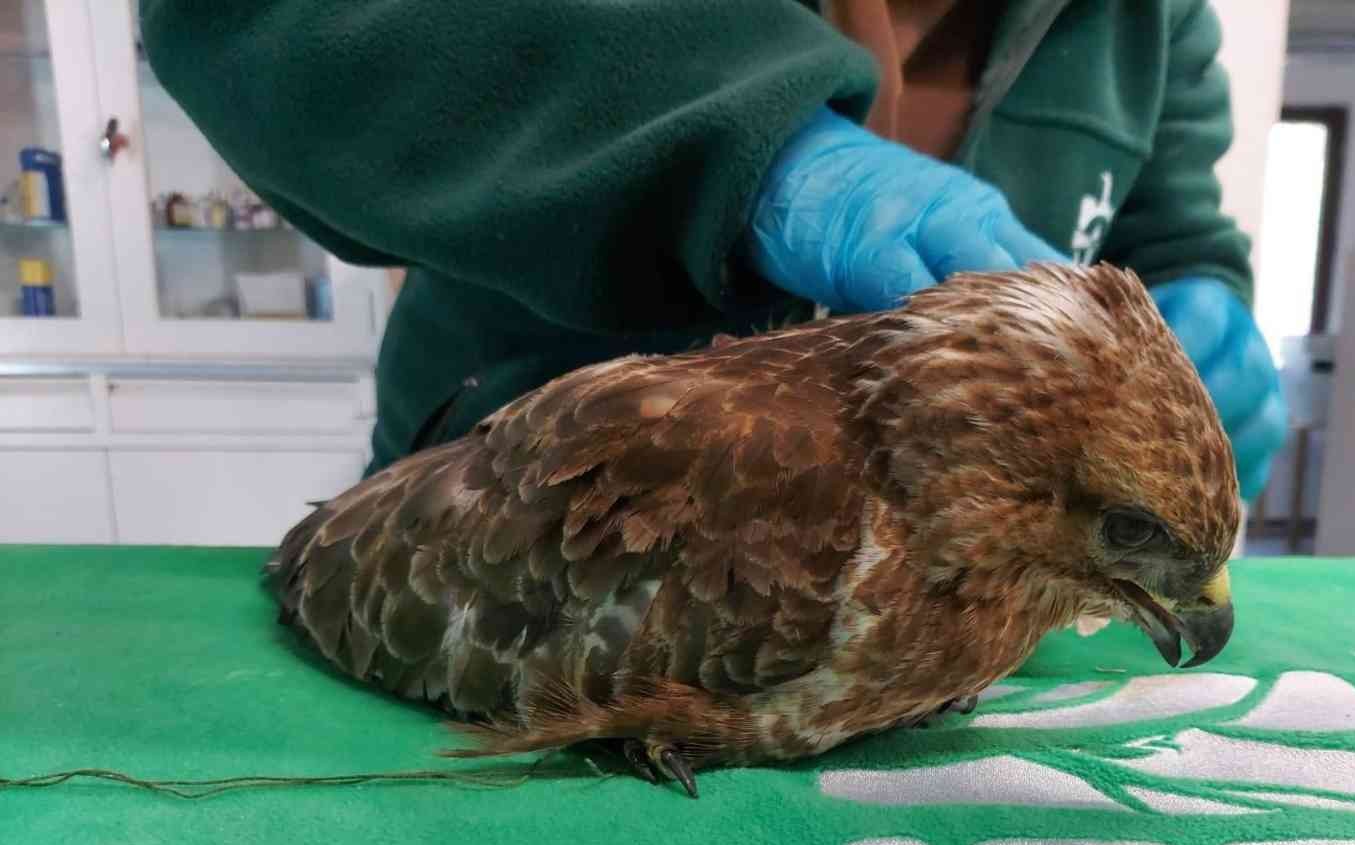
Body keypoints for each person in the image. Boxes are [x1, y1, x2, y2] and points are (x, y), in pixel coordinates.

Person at [140, 0, 1287, 500]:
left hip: (945, 620)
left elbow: (1168, 229)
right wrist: (734, 154)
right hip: (528, 530)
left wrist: (1200, 313)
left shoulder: (1154, 16)